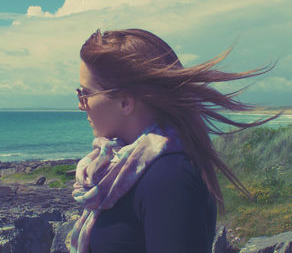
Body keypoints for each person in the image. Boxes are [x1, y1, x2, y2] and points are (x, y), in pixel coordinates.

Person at [71, 29, 282, 253]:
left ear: (125, 101)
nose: (80, 104)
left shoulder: (169, 179)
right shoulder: (122, 170)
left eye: (85, 93)